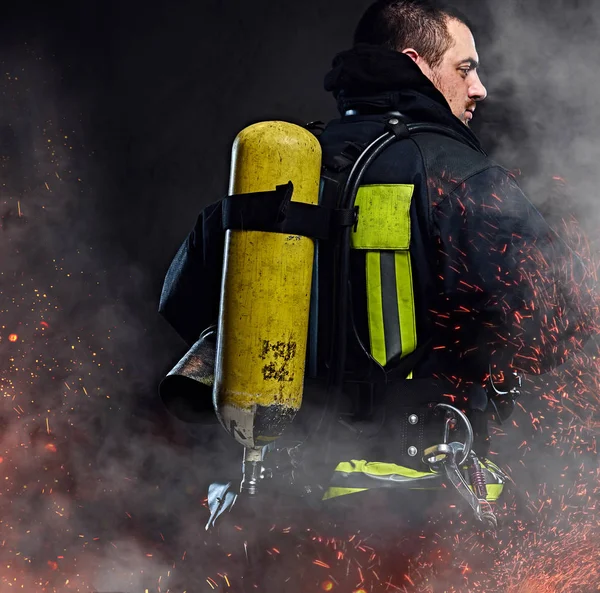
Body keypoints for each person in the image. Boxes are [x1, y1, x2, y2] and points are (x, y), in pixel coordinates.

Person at [158, 0, 595, 531]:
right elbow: (560, 321)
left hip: (277, 494)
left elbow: (181, 302)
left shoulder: (282, 169)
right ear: (417, 63)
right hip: (410, 506)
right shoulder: (460, 178)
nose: (479, 88)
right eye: (465, 68)